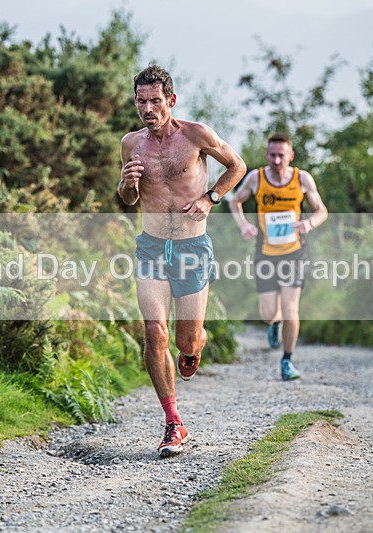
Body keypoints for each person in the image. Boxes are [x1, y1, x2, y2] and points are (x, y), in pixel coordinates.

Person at [118, 65, 246, 457]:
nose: (148, 109)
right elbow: (128, 200)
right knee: (154, 331)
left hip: (192, 248)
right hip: (152, 248)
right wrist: (127, 183)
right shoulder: (131, 144)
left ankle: (194, 348)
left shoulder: (196, 134)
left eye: (155, 101)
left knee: (185, 340)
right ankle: (174, 422)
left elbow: (237, 166)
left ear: (170, 100)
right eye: (141, 101)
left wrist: (211, 198)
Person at [228, 132, 328, 381]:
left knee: (291, 307)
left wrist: (309, 224)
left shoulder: (302, 179)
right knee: (268, 311)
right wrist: (244, 226)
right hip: (265, 251)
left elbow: (321, 210)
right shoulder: (256, 178)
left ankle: (287, 361)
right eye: (272, 155)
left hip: (294, 251)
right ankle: (274, 324)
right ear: (267, 155)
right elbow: (235, 202)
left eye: (281, 155)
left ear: (290, 156)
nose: (276, 160)